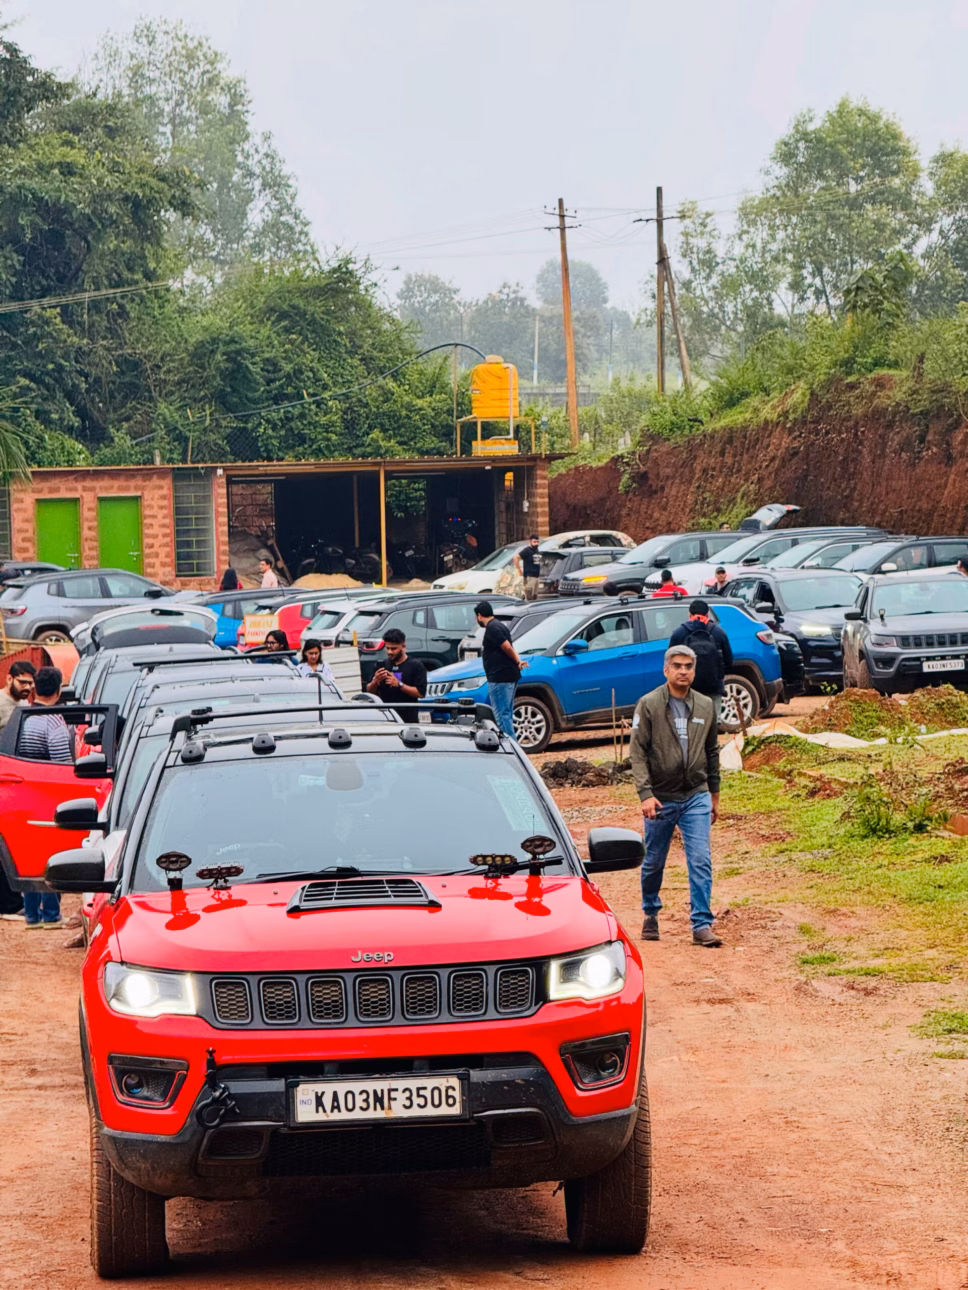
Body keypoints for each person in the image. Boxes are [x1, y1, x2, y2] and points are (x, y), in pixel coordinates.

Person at [630, 644, 722, 948]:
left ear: (694, 671)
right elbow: (638, 752)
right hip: (661, 796)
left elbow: (712, 752)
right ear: (666, 670)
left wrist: (714, 794)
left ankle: (701, 924)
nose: (683, 671)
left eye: (688, 667)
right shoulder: (649, 704)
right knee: (654, 861)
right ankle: (651, 913)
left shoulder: (706, 706)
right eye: (678, 666)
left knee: (700, 859)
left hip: (695, 794)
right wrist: (645, 794)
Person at [19, 667, 71, 930]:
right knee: (51, 852)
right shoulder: (54, 721)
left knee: (28, 850)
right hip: (48, 795)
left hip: (22, 793)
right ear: (59, 690)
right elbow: (62, 766)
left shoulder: (25, 718)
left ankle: (31, 915)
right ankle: (50, 914)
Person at [669, 599, 733, 725]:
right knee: (712, 725)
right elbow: (729, 661)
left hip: (687, 687)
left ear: (689, 615)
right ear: (707, 615)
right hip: (713, 687)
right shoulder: (718, 632)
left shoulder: (679, 633)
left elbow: (670, 660)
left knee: (690, 724)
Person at [475, 600, 527, 738]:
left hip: (500, 678)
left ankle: (510, 748)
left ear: (479, 615)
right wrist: (518, 662)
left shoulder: (492, 628)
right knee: (506, 714)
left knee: (501, 716)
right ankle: (512, 746)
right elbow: (510, 647)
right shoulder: (500, 625)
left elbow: (507, 647)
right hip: (508, 675)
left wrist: (517, 661)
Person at [366, 628, 427, 715]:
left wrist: (399, 685)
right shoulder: (382, 665)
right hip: (386, 715)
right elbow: (370, 692)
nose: (390, 652)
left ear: (403, 646)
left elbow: (421, 694)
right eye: (387, 648)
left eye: (394, 648)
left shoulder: (416, 665)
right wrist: (375, 681)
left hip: (407, 716)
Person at [0, 660, 36, 732]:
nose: (27, 687)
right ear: (9, 679)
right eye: (22, 682)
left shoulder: (24, 701)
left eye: (30, 683)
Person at [514, 535, 542, 601]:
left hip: (536, 576)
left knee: (535, 596)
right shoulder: (527, 550)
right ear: (530, 542)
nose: (536, 543)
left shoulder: (536, 550)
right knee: (529, 596)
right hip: (529, 575)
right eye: (534, 542)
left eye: (537, 542)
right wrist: (519, 569)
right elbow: (516, 557)